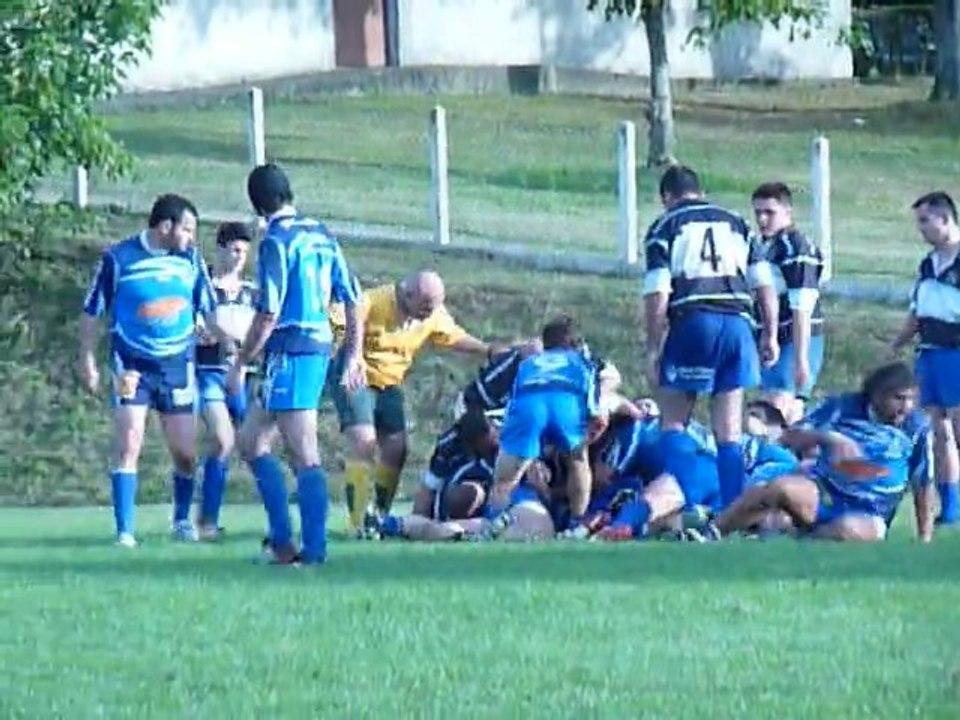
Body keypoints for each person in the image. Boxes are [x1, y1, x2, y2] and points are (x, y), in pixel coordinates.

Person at [228, 163, 364, 565]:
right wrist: (353, 352)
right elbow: (352, 297)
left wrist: (240, 361)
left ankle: (313, 550)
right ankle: (283, 541)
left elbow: (269, 310)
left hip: (293, 349)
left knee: (304, 452)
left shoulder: (276, 241)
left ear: (257, 204)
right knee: (250, 442)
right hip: (308, 348)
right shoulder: (321, 234)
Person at [80, 194, 217, 547]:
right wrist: (88, 359)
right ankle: (125, 531)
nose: (190, 237)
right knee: (129, 443)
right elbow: (92, 310)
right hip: (132, 366)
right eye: (187, 229)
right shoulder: (119, 258)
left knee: (186, 453)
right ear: (165, 226)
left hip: (177, 366)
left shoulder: (191, 260)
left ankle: (182, 520)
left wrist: (210, 328)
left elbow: (209, 308)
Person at [642, 165, 779, 513]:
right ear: (699, 191)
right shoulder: (736, 222)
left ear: (666, 197)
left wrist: (653, 347)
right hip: (738, 325)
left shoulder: (665, 226)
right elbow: (764, 283)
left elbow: (658, 291)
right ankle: (732, 514)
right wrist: (771, 334)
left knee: (673, 421)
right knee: (729, 431)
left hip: (694, 318)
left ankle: (698, 496)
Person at [327, 271, 496, 536]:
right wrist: (344, 350)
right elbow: (339, 318)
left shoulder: (432, 314)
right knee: (363, 441)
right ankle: (358, 522)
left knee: (397, 449)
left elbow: (452, 336)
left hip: (390, 382)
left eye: (433, 308)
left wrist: (487, 350)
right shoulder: (375, 300)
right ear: (407, 295)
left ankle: (379, 518)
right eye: (424, 307)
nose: (428, 314)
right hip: (356, 375)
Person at [700, 362, 933, 543]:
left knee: (847, 531)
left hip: (871, 513)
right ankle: (712, 533)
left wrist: (925, 537)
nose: (906, 406)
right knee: (778, 487)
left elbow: (922, 483)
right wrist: (828, 437)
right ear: (877, 394)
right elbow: (790, 436)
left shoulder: (916, 427)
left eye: (911, 399)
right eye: (899, 398)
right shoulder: (843, 407)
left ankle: (794, 533)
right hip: (826, 494)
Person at [485, 315, 606, 537]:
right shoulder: (581, 362)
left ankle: (492, 522)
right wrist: (590, 430)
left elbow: (514, 401)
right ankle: (576, 525)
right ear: (575, 344)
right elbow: (593, 406)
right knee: (578, 460)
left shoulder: (529, 363)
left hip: (529, 402)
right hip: (564, 400)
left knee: (506, 478)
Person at [891, 191, 960, 526]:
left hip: (956, 350)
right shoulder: (928, 263)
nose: (921, 229)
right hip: (930, 352)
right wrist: (896, 345)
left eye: (925, 221)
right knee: (938, 432)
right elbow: (917, 312)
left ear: (945, 219)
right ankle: (950, 506)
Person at [194, 221, 257, 539]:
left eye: (244, 252)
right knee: (222, 440)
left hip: (243, 375)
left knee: (255, 445)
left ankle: (279, 519)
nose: (239, 257)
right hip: (209, 373)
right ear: (220, 249)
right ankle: (206, 522)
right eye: (234, 249)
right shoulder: (203, 285)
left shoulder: (251, 292)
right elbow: (194, 323)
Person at [751, 182, 826, 424]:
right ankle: (796, 457)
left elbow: (802, 306)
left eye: (769, 213)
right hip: (773, 336)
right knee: (786, 411)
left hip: (796, 336)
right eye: (758, 213)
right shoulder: (764, 246)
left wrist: (801, 358)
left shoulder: (796, 247)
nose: (762, 219)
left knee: (776, 408)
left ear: (787, 212)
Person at [410, 406, 499, 522]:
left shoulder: (511, 433)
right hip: (454, 500)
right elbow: (429, 487)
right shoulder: (449, 447)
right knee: (471, 492)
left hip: (498, 505)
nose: (498, 437)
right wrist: (416, 523)